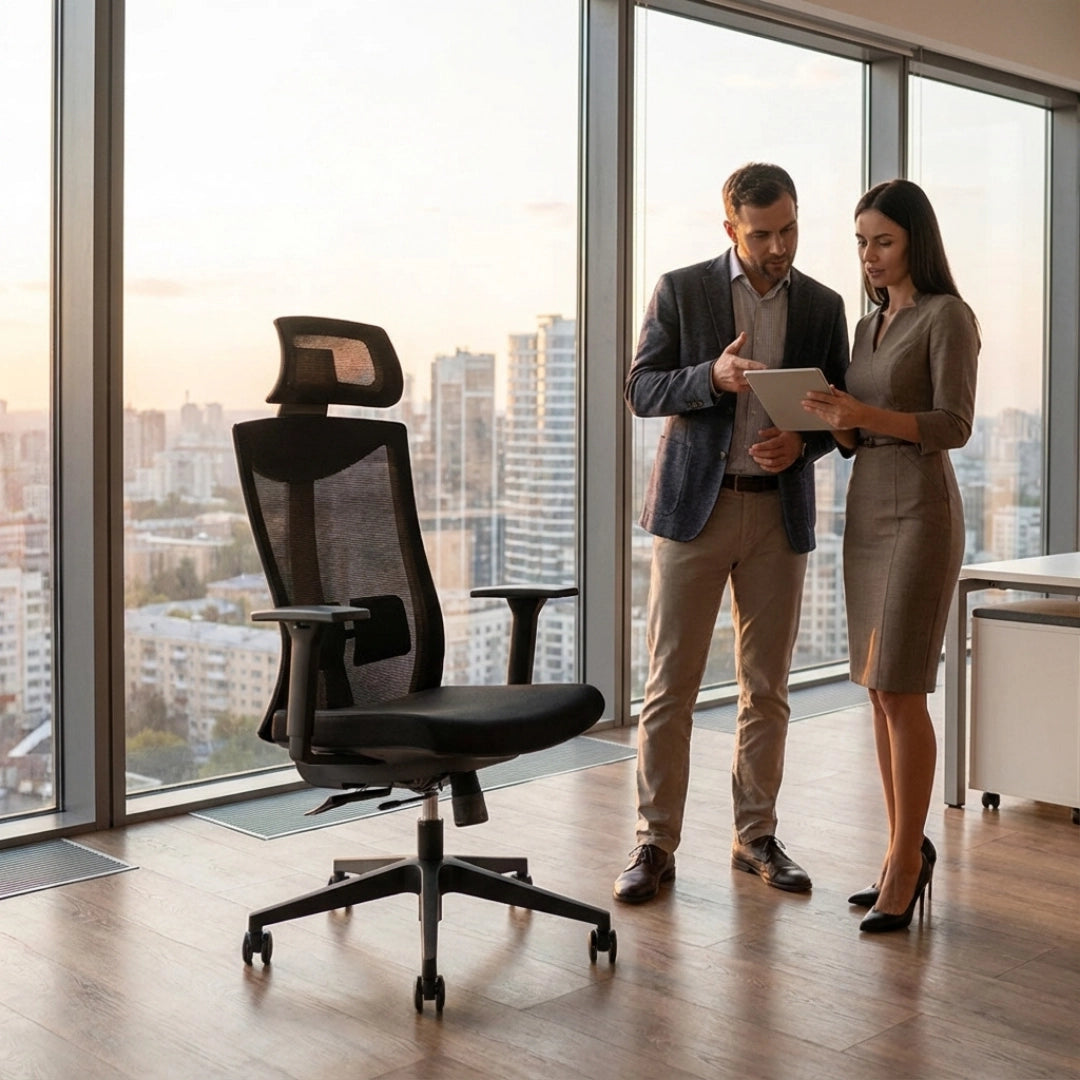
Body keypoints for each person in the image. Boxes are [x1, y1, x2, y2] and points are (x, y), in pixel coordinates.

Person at [615, 162, 850, 904]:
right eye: (761, 234)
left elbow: (837, 413)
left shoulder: (822, 303)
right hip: (695, 511)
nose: (778, 246)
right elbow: (640, 389)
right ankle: (655, 841)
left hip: (776, 513)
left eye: (789, 229)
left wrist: (802, 445)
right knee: (669, 687)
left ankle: (756, 837)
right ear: (730, 230)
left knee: (767, 690)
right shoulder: (681, 289)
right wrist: (709, 379)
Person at [802, 178, 979, 933]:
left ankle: (908, 862)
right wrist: (831, 421)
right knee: (876, 688)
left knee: (903, 688)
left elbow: (953, 423)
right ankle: (898, 848)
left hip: (920, 510)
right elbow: (861, 429)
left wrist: (861, 413)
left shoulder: (948, 316)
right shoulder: (868, 327)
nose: (871, 257)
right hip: (867, 504)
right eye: (862, 243)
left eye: (884, 241)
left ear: (916, 242)